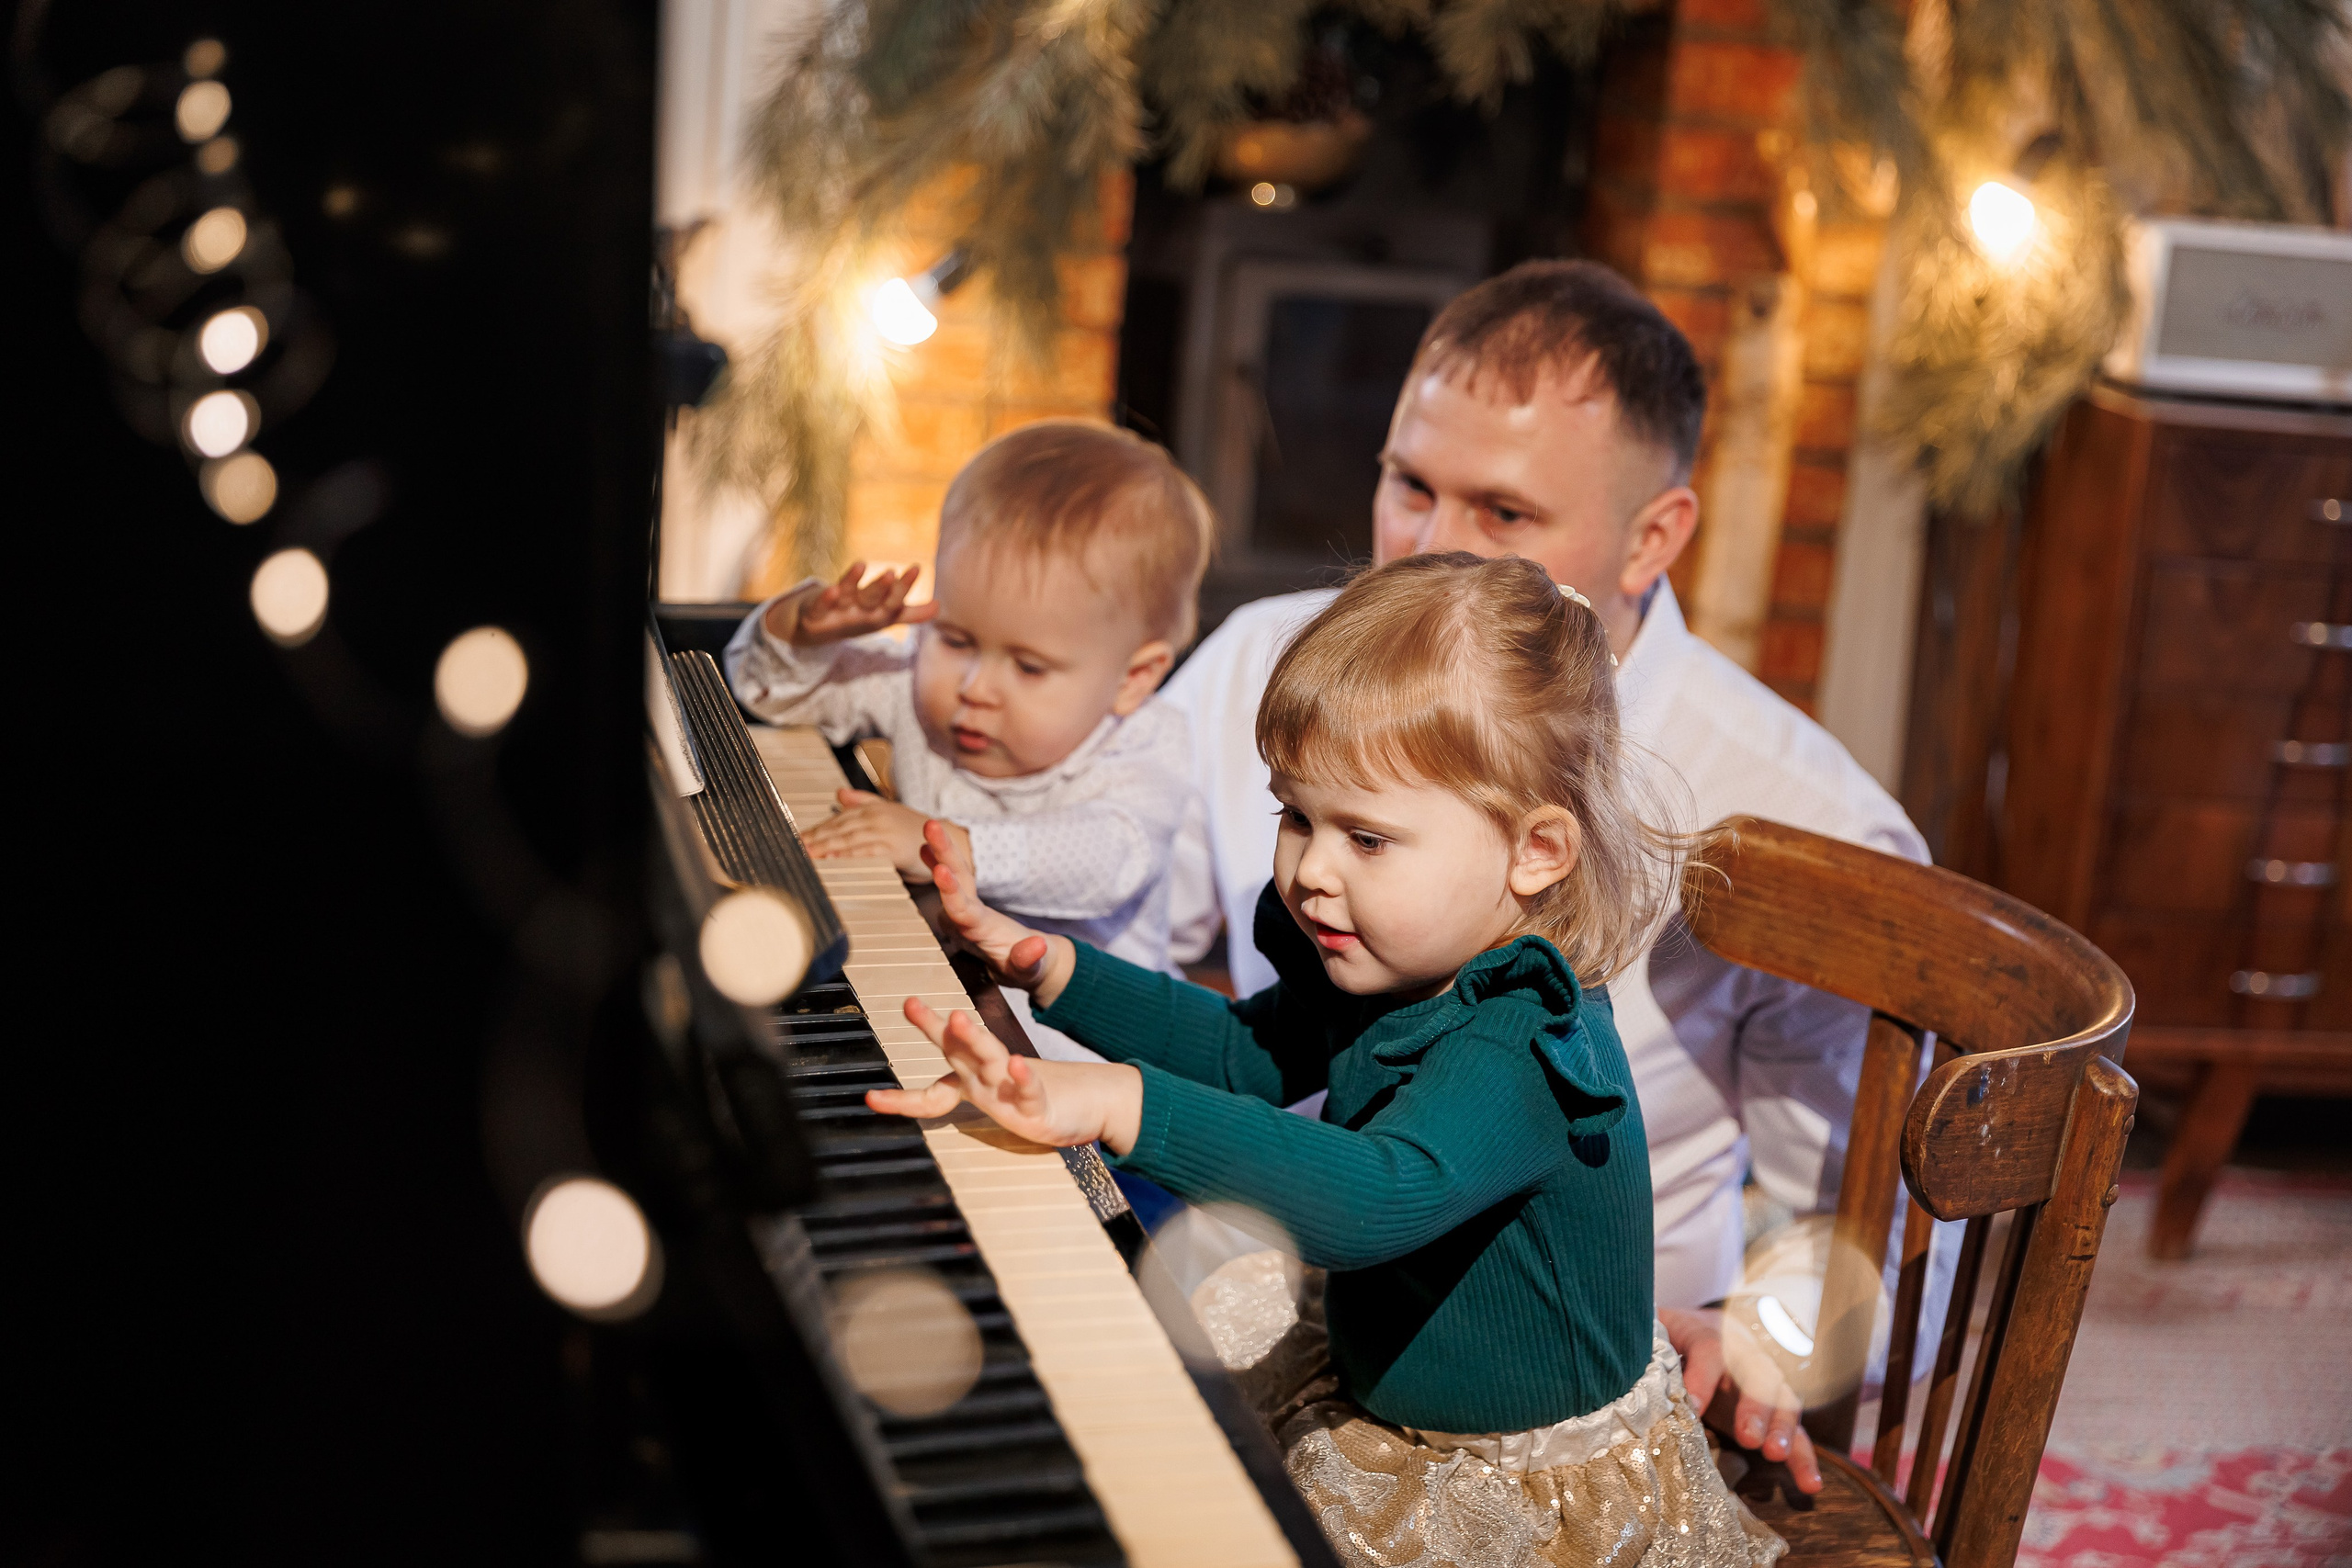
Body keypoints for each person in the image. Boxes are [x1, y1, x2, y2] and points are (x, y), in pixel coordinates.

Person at [1162, 261, 1929, 1492]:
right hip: (1271, 1295)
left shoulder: (1805, 817)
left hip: (1570, 1402)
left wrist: (1756, 1336)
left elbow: (1864, 1220)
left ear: (1654, 536)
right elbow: (1123, 928)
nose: (1429, 546)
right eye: (1408, 484)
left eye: (1503, 513)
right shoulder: (1268, 654)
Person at [874, 555, 1786, 1568]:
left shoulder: (1523, 1042)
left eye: (1366, 837)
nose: (1311, 870)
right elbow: (1242, 1052)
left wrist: (1119, 1104)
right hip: (1388, 1375)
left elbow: (1368, 1200)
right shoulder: (1393, 962)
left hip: (1514, 1486)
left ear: (1535, 850)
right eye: (1295, 817)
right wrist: (1050, 970)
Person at [723, 420, 1214, 1055]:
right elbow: (772, 693)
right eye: (956, 639)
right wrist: (799, 631)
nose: (975, 686)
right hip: (945, 1011)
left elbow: (1112, 860)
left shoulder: (1142, 742)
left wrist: (949, 845)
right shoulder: (920, 685)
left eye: (1029, 666)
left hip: (1095, 1065)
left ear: (1133, 677)